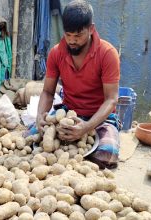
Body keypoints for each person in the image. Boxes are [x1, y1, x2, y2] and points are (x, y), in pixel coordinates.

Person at [36, 0, 121, 169]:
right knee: (33, 137)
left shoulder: (107, 53)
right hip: (69, 114)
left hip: (100, 118)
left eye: (78, 36)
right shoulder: (56, 53)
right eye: (68, 35)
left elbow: (111, 100)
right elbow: (47, 92)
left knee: (107, 154)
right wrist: (40, 116)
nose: (72, 41)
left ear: (91, 29)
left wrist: (87, 127)